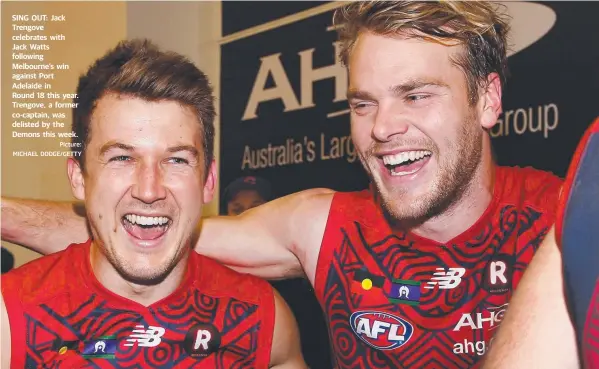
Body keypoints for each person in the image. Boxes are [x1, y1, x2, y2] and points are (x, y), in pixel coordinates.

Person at [0, 2, 564, 368]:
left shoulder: (566, 224)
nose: (385, 126)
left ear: (488, 98)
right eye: (363, 102)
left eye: (416, 95)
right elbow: (150, 231)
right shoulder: (324, 228)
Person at [0, 39, 307, 369]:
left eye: (176, 160)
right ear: (79, 178)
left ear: (208, 181)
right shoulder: (11, 317)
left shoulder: (261, 321)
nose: (149, 190)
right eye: (121, 157)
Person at [481, 117, 599, 369]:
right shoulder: (594, 157)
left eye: (417, 97)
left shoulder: (544, 206)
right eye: (371, 104)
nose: (383, 127)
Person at [223, 176, 334, 368]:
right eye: (238, 210)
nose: (247, 217)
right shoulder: (214, 276)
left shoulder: (300, 276)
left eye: (256, 207)